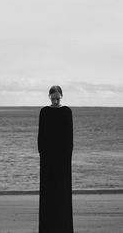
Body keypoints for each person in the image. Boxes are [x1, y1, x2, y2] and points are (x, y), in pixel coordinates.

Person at [38, 85, 74, 233]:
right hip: (47, 159)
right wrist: (42, 154)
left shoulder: (66, 111)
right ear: (49, 97)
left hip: (63, 160)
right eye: (53, 98)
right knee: (48, 194)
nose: (55, 101)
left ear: (61, 96)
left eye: (57, 98)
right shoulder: (44, 112)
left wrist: (67, 157)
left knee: (62, 193)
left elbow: (69, 137)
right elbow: (41, 136)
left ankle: (64, 228)